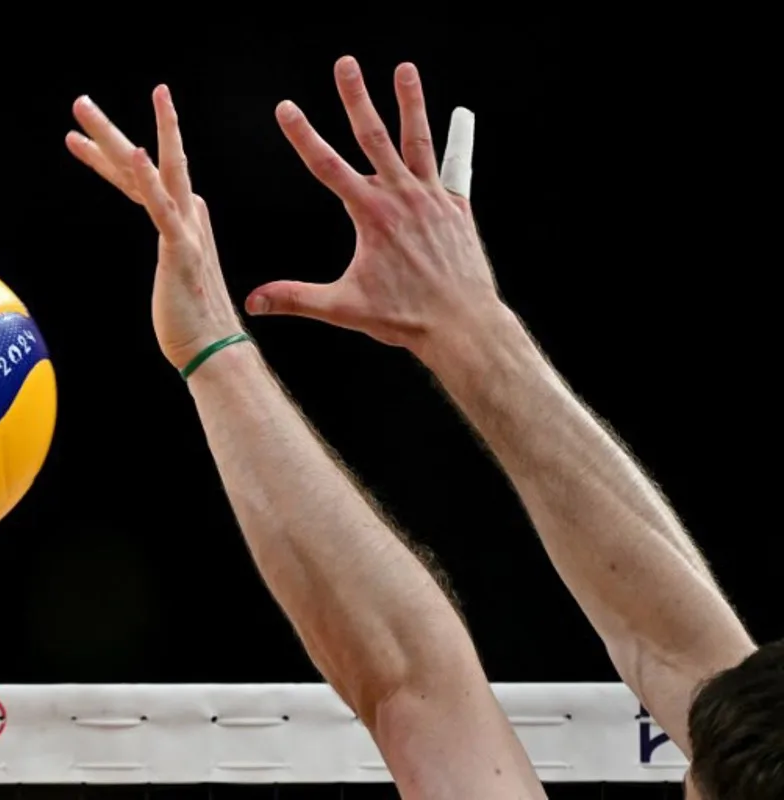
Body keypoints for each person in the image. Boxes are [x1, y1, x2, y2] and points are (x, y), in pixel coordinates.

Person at [65, 56, 781, 800]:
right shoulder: (757, 743)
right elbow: (685, 658)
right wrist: (468, 326)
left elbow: (415, 684)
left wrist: (213, 349)